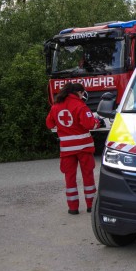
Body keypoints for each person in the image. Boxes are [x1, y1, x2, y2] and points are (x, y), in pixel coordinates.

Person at [46, 82, 100, 215]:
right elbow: (89, 124)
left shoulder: (56, 106)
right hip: (84, 148)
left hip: (67, 149)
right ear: (79, 93)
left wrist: (62, 128)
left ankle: (73, 207)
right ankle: (90, 205)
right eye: (82, 93)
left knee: (69, 177)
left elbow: (49, 124)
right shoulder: (80, 106)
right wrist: (97, 122)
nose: (83, 96)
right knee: (88, 176)